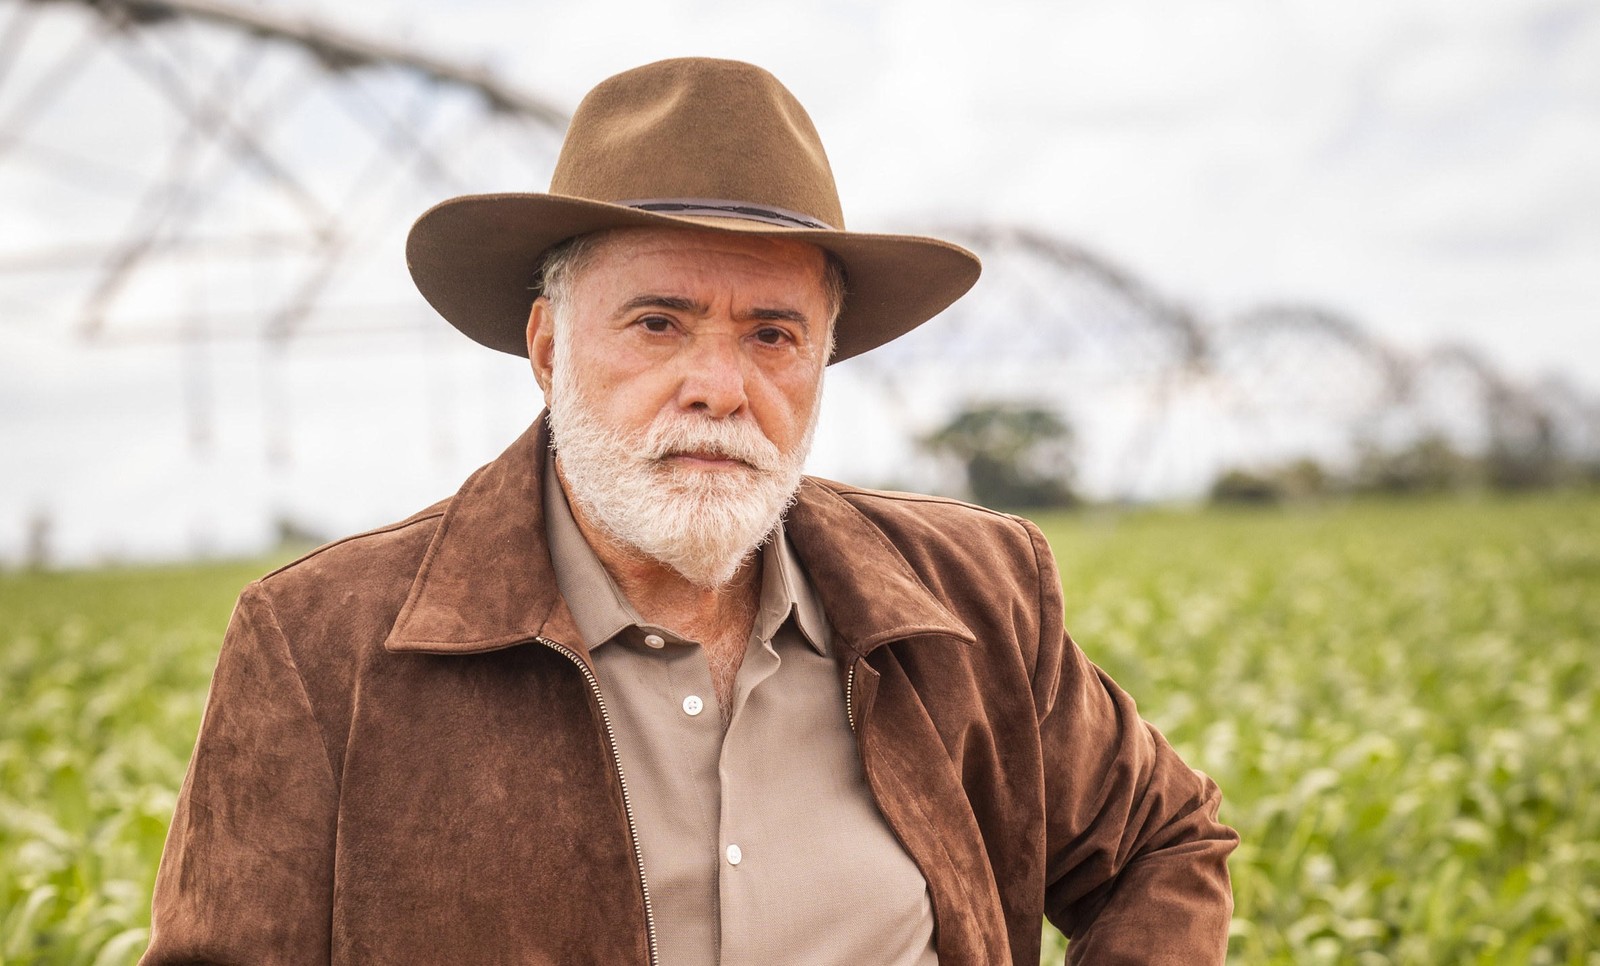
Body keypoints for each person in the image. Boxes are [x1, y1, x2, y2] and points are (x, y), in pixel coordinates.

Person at [142, 57, 1236, 965]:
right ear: (547, 348)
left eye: (772, 334)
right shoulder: (320, 646)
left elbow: (1166, 843)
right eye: (658, 324)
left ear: (818, 361)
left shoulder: (978, 594)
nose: (720, 385)